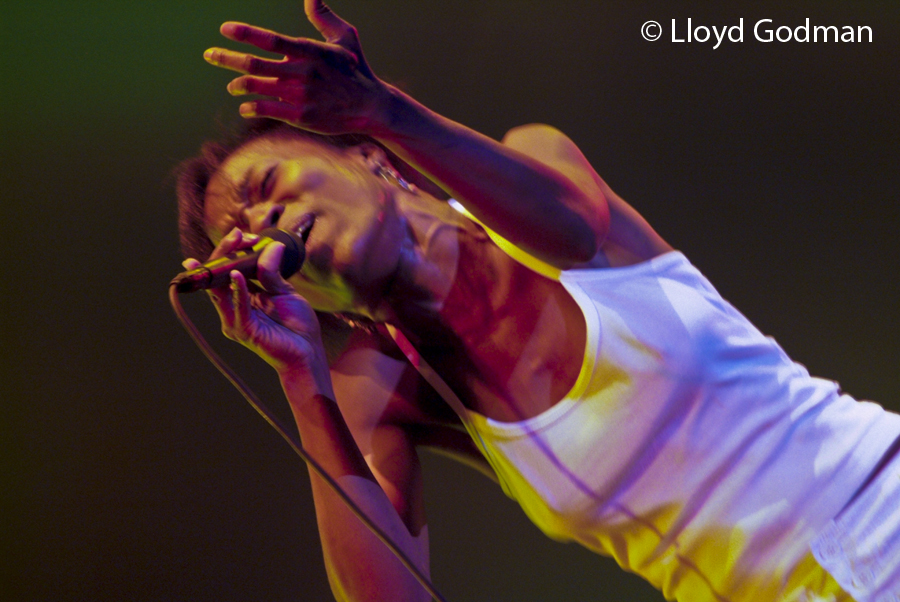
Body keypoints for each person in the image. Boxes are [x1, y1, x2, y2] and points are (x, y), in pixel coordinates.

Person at [176, 2, 900, 600]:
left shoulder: (527, 176)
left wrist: (382, 108)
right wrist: (301, 379)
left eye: (267, 188)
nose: (260, 225)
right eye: (240, 239)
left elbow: (575, 226)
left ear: (364, 154)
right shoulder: (381, 389)